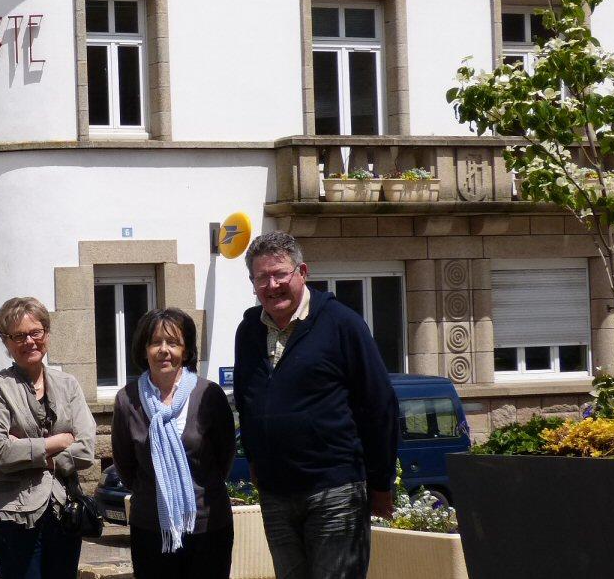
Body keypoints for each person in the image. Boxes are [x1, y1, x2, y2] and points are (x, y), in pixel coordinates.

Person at [233, 232, 399, 579]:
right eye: (261, 277)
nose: (272, 285)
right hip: (276, 494)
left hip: (334, 490)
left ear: (302, 272)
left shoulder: (342, 324)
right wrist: (254, 458)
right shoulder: (248, 330)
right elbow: (247, 401)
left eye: (280, 274)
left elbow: (379, 405)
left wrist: (380, 483)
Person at [111, 308, 237, 579]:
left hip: (208, 524)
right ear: (144, 350)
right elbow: (125, 465)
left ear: (187, 351)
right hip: (150, 527)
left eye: (173, 343)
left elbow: (225, 455)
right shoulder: (127, 400)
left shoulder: (209, 394)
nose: (164, 350)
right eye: (155, 342)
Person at [0, 297, 96, 579]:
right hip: (15, 517)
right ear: (6, 342)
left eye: (36, 332)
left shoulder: (68, 384)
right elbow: (2, 453)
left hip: (65, 512)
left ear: (47, 334)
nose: (29, 341)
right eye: (18, 336)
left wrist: (28, 450)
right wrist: (59, 441)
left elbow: (87, 448)